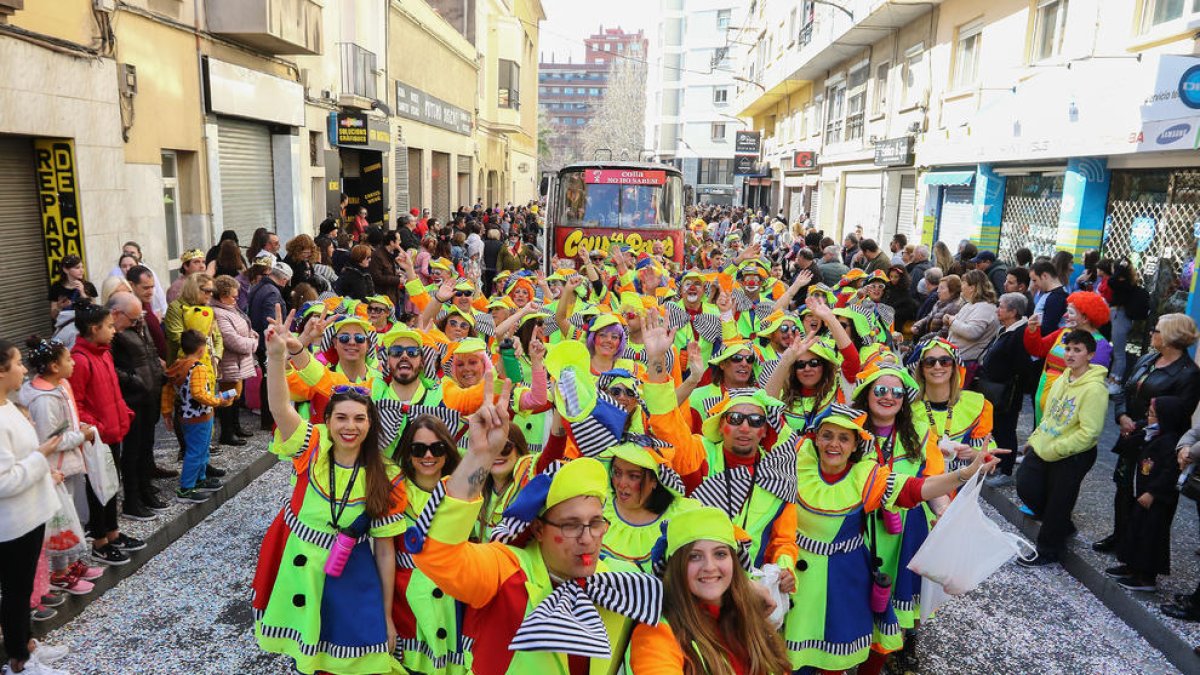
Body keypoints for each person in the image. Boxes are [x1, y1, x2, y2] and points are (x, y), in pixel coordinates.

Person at [251, 307, 408, 675]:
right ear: (326, 420)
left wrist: (387, 618)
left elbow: (385, 552)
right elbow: (280, 407)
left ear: (371, 424)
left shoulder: (384, 474)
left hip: (350, 570)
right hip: (303, 565)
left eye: (359, 418)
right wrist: (276, 357)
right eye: (341, 417)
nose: (349, 427)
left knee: (353, 658)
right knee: (309, 656)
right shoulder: (313, 445)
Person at [628, 507, 791, 675]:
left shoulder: (748, 621)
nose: (710, 567)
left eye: (720, 554)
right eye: (694, 556)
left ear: (733, 562)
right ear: (677, 567)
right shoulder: (658, 632)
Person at [1094, 313, 1200, 556]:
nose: (1152, 333)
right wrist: (1121, 416)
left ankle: (1135, 549)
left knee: (1145, 493)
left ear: (1172, 336)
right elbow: (1123, 390)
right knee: (1123, 487)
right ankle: (1120, 535)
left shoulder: (1188, 374)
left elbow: (1178, 413)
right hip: (1131, 436)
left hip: (1155, 444)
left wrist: (1138, 423)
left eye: (1158, 329)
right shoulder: (1149, 359)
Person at [0, 339, 74, 675]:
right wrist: (40, 456)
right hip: (13, 522)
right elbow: (5, 480)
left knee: (23, 587)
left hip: (28, 515)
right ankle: (20, 661)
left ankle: (26, 644)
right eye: (17, 364)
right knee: (16, 591)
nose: (24, 369)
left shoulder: (8, 405)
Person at [1016, 330, 1109, 568]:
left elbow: (1090, 432)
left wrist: (1058, 448)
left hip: (1074, 454)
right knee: (1027, 485)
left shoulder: (1095, 389)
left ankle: (1048, 551)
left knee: (1059, 500)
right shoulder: (1063, 378)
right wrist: (1035, 438)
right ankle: (1062, 526)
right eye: (1068, 349)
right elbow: (1050, 416)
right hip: (1046, 445)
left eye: (1077, 350)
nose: (1070, 354)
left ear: (1089, 354)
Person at [19, 337, 104, 594]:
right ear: (54, 366)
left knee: (73, 516)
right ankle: (60, 571)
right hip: (58, 467)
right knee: (60, 520)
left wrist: (80, 429)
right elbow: (50, 439)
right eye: (68, 359)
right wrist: (82, 435)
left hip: (69, 462)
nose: (74, 363)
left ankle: (71, 563)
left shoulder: (60, 386)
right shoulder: (44, 399)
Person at [69, 303, 143, 566]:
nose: (113, 331)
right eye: (109, 326)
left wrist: (123, 412)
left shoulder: (104, 353)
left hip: (113, 430)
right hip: (97, 436)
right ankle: (100, 540)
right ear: (94, 328)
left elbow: (112, 390)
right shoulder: (80, 359)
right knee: (98, 488)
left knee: (112, 483)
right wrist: (95, 427)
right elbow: (75, 404)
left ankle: (113, 532)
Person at [108, 292, 169, 519]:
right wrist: (134, 380)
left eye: (139, 317)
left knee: (146, 447)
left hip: (149, 394)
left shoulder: (136, 324)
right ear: (116, 313)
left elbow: (150, 354)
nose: (137, 321)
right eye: (133, 319)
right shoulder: (112, 333)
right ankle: (132, 500)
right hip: (132, 398)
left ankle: (146, 491)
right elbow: (111, 367)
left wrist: (159, 375)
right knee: (132, 452)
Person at [161, 330, 232, 504]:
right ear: (202, 349)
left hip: (186, 414)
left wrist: (167, 412)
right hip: (200, 416)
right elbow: (199, 394)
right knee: (196, 451)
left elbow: (168, 390)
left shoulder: (179, 364)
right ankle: (186, 488)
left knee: (200, 448)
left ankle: (200, 478)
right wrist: (218, 401)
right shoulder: (198, 368)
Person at [1023, 291, 1111, 426]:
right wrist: (1033, 330)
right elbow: (1038, 349)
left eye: (1070, 312)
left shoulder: (1100, 345)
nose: (1065, 315)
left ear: (1085, 318)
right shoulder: (1064, 332)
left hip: (1067, 406)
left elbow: (1090, 380)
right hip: (1044, 394)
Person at [977, 293, 1031, 488]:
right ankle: (997, 464)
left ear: (1013, 311)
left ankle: (1006, 470)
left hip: (1007, 392)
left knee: (1006, 429)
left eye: (1001, 306)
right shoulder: (1005, 329)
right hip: (994, 388)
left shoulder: (1020, 333)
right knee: (997, 428)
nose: (997, 309)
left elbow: (1021, 365)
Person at [210, 275, 258, 446]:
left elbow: (243, 327)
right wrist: (253, 343)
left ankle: (235, 427)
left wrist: (251, 334)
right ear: (222, 295)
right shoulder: (218, 312)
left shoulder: (230, 307)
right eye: (233, 296)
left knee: (236, 397)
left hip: (238, 361)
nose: (236, 298)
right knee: (228, 399)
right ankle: (227, 432)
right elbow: (231, 339)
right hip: (229, 362)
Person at [247, 262, 291, 429]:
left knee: (266, 381)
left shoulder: (259, 286)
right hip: (266, 343)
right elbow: (270, 321)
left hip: (258, 339)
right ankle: (270, 420)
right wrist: (274, 343)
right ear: (284, 279)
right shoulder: (272, 292)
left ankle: (268, 419)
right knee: (271, 380)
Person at [945, 269, 999, 377]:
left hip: (966, 361)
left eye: (964, 283)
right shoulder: (971, 304)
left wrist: (952, 321)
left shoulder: (985, 307)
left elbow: (973, 332)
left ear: (972, 287)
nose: (961, 286)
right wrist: (949, 320)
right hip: (956, 358)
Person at [911, 274, 963, 339]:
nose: (938, 291)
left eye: (942, 288)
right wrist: (918, 325)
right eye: (938, 288)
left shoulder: (954, 307)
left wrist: (925, 338)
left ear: (952, 291)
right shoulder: (940, 302)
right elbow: (929, 316)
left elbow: (944, 332)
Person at [47, 255, 97, 322]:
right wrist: (59, 307)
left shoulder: (88, 286)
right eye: (77, 268)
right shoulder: (56, 287)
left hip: (84, 327)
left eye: (82, 267)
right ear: (66, 270)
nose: (81, 270)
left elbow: (95, 311)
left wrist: (83, 293)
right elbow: (53, 316)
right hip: (66, 327)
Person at [1029, 260, 1068, 335]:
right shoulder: (1054, 295)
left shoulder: (1056, 298)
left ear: (1044, 276)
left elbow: (1048, 329)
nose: (1034, 284)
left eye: (1035, 280)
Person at [371, 231, 406, 308]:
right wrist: (398, 280)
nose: (400, 242)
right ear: (392, 242)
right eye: (399, 240)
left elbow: (387, 270)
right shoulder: (378, 255)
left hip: (393, 295)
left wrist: (397, 272)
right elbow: (377, 277)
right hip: (384, 298)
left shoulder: (391, 253)